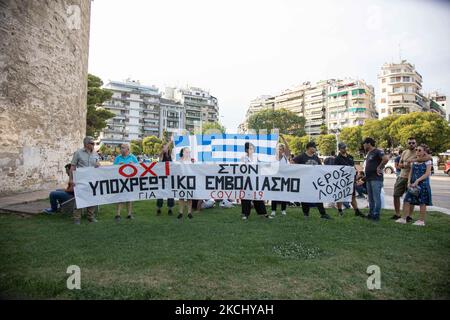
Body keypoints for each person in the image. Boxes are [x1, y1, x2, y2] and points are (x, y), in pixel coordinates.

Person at [392, 137, 432, 221]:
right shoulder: (404, 152)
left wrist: (412, 160)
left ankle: (409, 216)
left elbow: (428, 158)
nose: (411, 144)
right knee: (396, 195)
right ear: (407, 144)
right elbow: (400, 164)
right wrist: (404, 165)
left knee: (412, 198)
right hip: (403, 176)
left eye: (413, 143)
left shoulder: (420, 151)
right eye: (409, 143)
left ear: (416, 143)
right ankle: (397, 214)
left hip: (415, 179)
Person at [293, 141, 332, 219]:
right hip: (305, 181)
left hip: (315, 181)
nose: (315, 148)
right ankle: (306, 214)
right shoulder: (301, 156)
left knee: (318, 197)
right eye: (314, 147)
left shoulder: (316, 157)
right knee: (305, 197)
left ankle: (323, 214)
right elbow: (292, 163)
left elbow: (321, 167)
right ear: (309, 148)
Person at [70, 136, 100, 224]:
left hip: (92, 180)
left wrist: (98, 164)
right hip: (80, 180)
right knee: (79, 199)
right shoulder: (78, 153)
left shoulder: (95, 154)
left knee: (92, 198)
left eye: (94, 143)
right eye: (92, 143)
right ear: (86, 144)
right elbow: (73, 166)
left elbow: (97, 165)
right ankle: (77, 218)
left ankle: (91, 217)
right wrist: (71, 179)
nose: (94, 145)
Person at [240, 142, 273, 220]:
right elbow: (242, 169)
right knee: (246, 198)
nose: (252, 150)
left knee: (258, 196)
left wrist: (269, 165)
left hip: (255, 181)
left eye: (253, 148)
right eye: (250, 148)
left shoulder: (256, 158)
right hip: (246, 181)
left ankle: (263, 213)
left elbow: (261, 165)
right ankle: (245, 214)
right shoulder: (243, 158)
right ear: (246, 150)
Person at [362, 137, 389, 221]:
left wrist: (379, 167)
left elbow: (386, 159)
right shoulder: (369, 153)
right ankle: (371, 213)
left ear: (368, 143)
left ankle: (376, 214)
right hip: (369, 178)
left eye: (364, 143)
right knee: (370, 198)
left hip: (376, 178)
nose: (363, 145)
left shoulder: (377, 151)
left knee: (376, 197)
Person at [334, 143, 365, 218]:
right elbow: (335, 170)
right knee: (340, 196)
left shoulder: (350, 157)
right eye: (342, 148)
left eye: (345, 147)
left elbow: (355, 166)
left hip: (351, 180)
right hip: (341, 180)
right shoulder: (337, 159)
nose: (344, 149)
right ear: (339, 149)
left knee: (352, 196)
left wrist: (357, 174)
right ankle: (340, 211)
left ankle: (356, 211)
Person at [113, 143, 138, 222]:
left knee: (129, 198)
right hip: (120, 181)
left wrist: (133, 165)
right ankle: (118, 214)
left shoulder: (133, 157)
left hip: (130, 181)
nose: (121, 149)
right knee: (120, 197)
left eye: (123, 148)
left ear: (128, 149)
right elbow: (112, 169)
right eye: (121, 148)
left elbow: (138, 168)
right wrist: (118, 166)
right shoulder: (117, 158)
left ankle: (129, 214)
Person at [271, 134, 290, 217]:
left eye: (281, 149)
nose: (280, 150)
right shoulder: (273, 157)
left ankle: (283, 210)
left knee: (283, 195)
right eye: (279, 148)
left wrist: (283, 138)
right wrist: (276, 140)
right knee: (274, 195)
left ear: (283, 150)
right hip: (274, 178)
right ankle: (273, 210)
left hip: (284, 178)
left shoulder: (285, 157)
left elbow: (288, 148)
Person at [156, 141, 175, 216]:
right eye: (163, 147)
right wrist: (170, 141)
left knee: (170, 193)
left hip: (169, 177)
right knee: (160, 193)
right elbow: (161, 153)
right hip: (162, 178)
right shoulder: (161, 156)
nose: (165, 149)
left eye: (166, 148)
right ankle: (159, 208)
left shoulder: (171, 156)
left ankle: (170, 209)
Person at [177, 147, 193, 219]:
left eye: (189, 152)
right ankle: (181, 212)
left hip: (190, 180)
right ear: (183, 152)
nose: (188, 153)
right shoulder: (179, 160)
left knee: (189, 197)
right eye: (186, 152)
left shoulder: (192, 161)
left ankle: (189, 212)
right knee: (181, 197)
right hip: (181, 180)